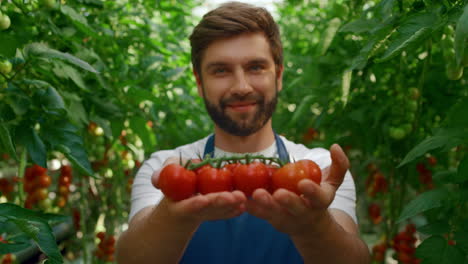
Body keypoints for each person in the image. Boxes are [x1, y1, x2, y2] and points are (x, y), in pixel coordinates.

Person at [116, 2, 371, 263]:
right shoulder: (163, 169)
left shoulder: (319, 168)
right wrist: (172, 214)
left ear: (279, 76)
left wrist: (314, 226)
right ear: (200, 83)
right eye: (221, 70)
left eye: (256, 67)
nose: (241, 86)